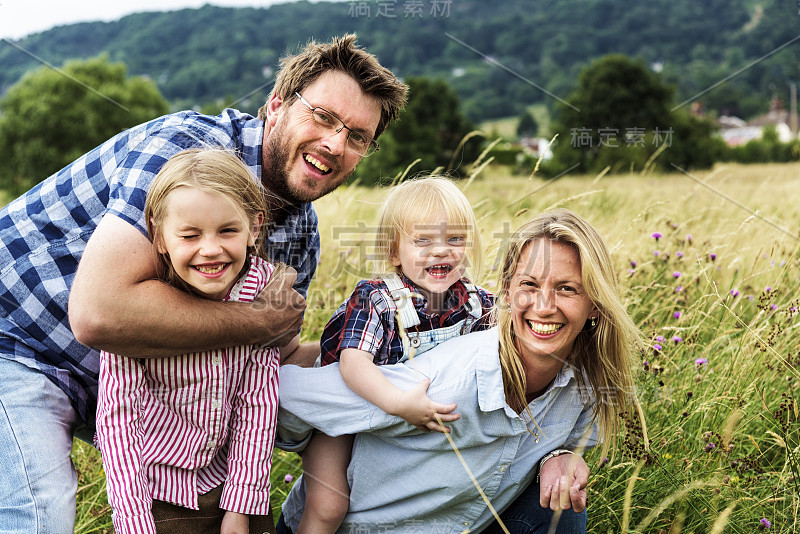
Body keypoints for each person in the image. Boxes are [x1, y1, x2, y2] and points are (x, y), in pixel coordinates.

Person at [0, 34, 407, 534]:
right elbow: (98, 313)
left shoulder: (300, 234)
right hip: (21, 344)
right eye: (323, 116)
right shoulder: (187, 152)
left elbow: (264, 360)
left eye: (357, 136)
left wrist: (378, 358)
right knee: (38, 517)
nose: (335, 144)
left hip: (123, 388)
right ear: (276, 106)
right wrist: (255, 322)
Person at [276, 209, 647, 533]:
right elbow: (286, 397)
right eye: (529, 285)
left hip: (465, 523)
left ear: (595, 305)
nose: (544, 306)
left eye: (567, 289)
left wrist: (560, 456)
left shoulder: (588, 385)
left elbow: (566, 438)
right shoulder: (439, 382)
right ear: (506, 291)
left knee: (560, 506)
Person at [96, 149, 281, 534]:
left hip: (231, 479)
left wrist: (241, 504)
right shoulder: (138, 306)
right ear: (159, 236)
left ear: (255, 227)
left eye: (228, 230)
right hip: (154, 493)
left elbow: (257, 401)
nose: (210, 249)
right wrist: (135, 523)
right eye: (190, 235)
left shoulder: (261, 290)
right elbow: (118, 419)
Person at [297, 177, 495, 533]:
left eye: (455, 239)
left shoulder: (477, 302)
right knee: (329, 504)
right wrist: (399, 403)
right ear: (393, 252)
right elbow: (352, 364)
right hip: (344, 410)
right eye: (423, 241)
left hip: (406, 420)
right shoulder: (377, 298)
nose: (441, 251)